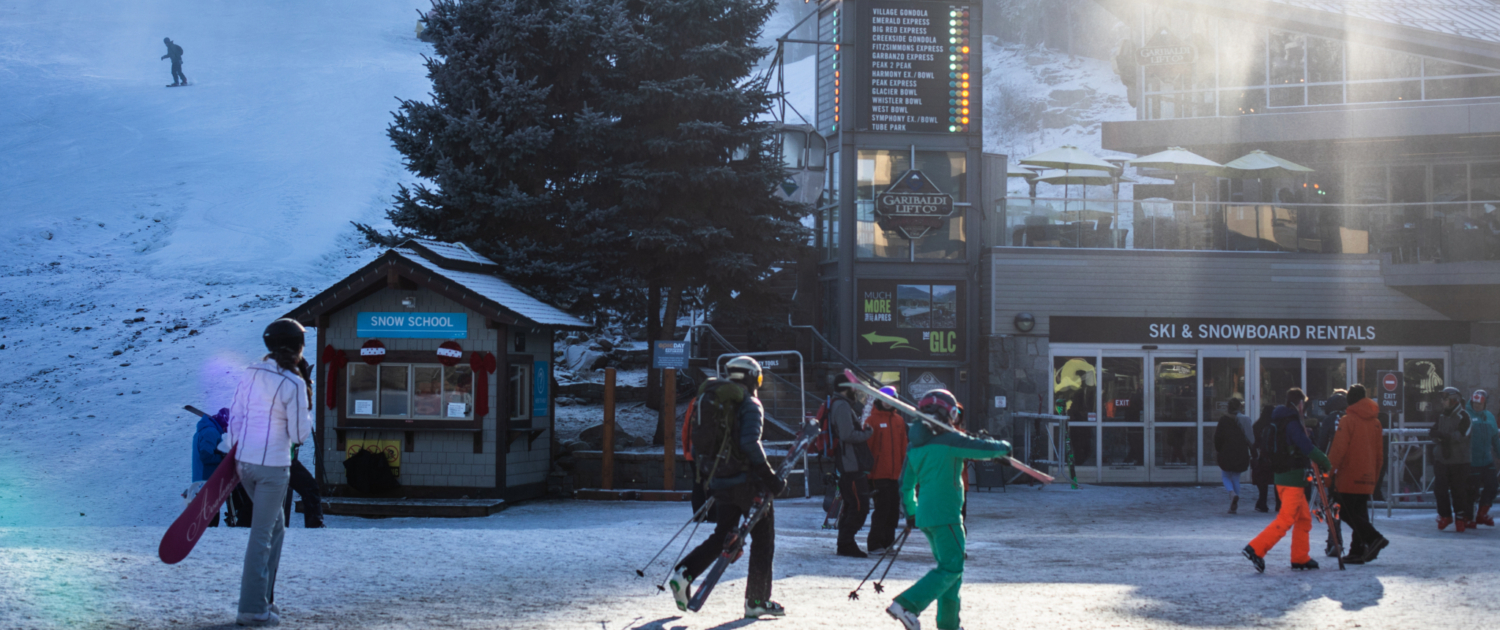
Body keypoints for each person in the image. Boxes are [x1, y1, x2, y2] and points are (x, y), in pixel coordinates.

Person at [669, 356, 785, 619]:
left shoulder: (710, 402)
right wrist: (771, 478)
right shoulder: (750, 403)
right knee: (764, 539)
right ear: (755, 378)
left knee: (723, 534)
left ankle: (684, 573)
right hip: (747, 483)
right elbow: (750, 444)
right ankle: (756, 600)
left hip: (719, 481)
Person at [886, 390, 1010, 630]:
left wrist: (911, 513)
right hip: (947, 515)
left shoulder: (915, 447)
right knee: (952, 567)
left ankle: (949, 625)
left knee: (950, 573)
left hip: (926, 517)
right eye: (953, 414)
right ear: (946, 414)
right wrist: (1003, 448)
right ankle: (907, 604)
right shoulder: (949, 441)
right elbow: (979, 447)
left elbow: (906, 485)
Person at [227, 319, 313, 626]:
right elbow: (300, 434)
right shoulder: (293, 383)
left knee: (275, 527)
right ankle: (251, 608)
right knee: (261, 535)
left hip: (244, 463)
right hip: (273, 467)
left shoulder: (251, 372)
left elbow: (235, 415)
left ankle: (265, 600)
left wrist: (237, 451)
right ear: (298, 347)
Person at [1242, 388, 1331, 573]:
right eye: (1303, 404)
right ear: (1299, 403)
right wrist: (1325, 461)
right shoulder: (1292, 423)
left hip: (1284, 477)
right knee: (1286, 519)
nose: (1304, 408)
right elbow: (1306, 447)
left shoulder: (1280, 420)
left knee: (1304, 519)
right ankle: (1255, 548)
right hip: (1292, 479)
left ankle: (1300, 557)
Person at [1327, 384, 1387, 565]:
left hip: (1349, 476)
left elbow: (1338, 451)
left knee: (1344, 511)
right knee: (1360, 513)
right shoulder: (1376, 422)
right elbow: (1379, 455)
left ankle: (1373, 538)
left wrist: (1327, 474)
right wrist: (1374, 479)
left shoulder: (1347, 421)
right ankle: (1357, 550)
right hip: (1367, 476)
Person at [830, 373, 874, 558]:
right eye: (853, 386)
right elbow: (847, 435)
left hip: (851, 464)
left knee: (852, 505)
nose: (855, 390)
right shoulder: (841, 406)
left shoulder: (842, 404)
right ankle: (846, 543)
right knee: (859, 506)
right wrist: (866, 434)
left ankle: (844, 542)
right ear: (845, 387)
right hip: (850, 465)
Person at [865, 386, 908, 554]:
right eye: (885, 399)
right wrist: (868, 474)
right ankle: (875, 544)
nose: (888, 402)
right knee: (881, 509)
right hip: (878, 474)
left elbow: (903, 447)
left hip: (896, 474)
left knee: (893, 511)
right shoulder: (871, 421)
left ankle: (888, 543)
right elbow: (868, 448)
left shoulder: (899, 421)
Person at [1430, 386, 1473, 531]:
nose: (1443, 402)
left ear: (1454, 400)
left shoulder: (1464, 416)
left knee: (1458, 490)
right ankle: (1445, 515)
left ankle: (1460, 517)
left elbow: (1462, 434)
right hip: (1442, 459)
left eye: (1446, 399)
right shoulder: (1441, 416)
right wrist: (1438, 436)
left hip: (1460, 461)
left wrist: (1444, 436)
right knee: (1439, 489)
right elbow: (1435, 434)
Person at [191, 407, 232, 527]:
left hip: (202, 481)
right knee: (210, 522)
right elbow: (205, 456)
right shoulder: (210, 432)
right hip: (207, 482)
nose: (226, 431)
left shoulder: (205, 430)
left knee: (207, 520)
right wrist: (223, 458)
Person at [1214, 398, 1252, 514]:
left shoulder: (1223, 420)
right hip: (1241, 450)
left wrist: (1219, 450)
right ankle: (1233, 504)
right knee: (1236, 477)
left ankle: (1231, 493)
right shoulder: (1245, 419)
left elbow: (1218, 437)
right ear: (1239, 407)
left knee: (1225, 475)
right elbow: (1250, 437)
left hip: (1226, 450)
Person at [1468, 389, 1499, 528]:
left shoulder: (1489, 416)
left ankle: (1482, 513)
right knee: (1472, 490)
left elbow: (1495, 437)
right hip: (1471, 461)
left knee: (1492, 486)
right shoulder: (1466, 415)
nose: (1477, 407)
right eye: (1475, 404)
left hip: (1487, 460)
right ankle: (1469, 517)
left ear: (1485, 404)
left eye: (1480, 404)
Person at [281, 450, 325, 529]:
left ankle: (314, 525)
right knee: (310, 488)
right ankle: (314, 527)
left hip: (280, 459)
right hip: (281, 459)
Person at [1250, 405, 1277, 513]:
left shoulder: (1257, 425)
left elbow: (1253, 442)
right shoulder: (1276, 426)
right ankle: (1279, 503)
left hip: (1261, 456)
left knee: (1262, 481)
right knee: (1276, 480)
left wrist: (1254, 455)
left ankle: (1262, 502)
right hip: (1274, 456)